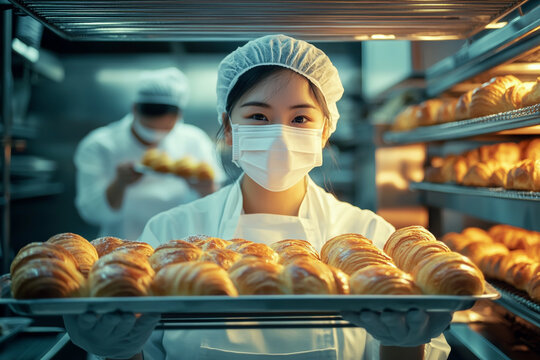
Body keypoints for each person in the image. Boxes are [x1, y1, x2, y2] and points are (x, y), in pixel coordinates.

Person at [65, 35, 451, 360]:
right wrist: (116, 349)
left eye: (300, 118)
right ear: (229, 130)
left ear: (325, 132)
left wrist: (404, 342)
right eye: (258, 117)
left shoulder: (369, 237)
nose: (280, 135)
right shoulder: (170, 234)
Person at [74, 67, 224, 240]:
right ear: (134, 109)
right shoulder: (100, 145)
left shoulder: (194, 140)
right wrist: (120, 184)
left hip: (180, 246)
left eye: (165, 128)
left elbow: (216, 206)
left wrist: (207, 189)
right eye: (149, 127)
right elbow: (91, 213)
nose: (155, 134)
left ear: (179, 116)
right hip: (120, 248)